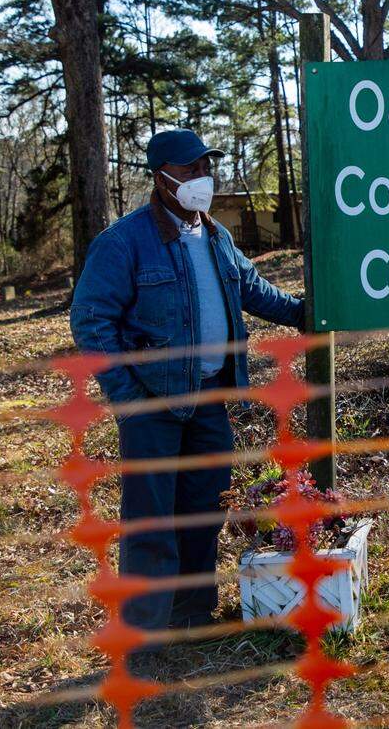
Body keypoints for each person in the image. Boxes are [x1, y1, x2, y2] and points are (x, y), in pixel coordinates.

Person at [70, 129, 306, 633]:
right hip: (152, 402)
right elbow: (91, 321)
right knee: (152, 517)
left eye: (206, 166)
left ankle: (192, 614)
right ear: (162, 177)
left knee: (205, 507)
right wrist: (127, 398)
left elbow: (255, 291)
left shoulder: (216, 236)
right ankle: (146, 629)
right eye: (191, 168)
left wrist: (309, 314)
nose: (203, 176)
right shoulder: (124, 242)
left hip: (211, 399)